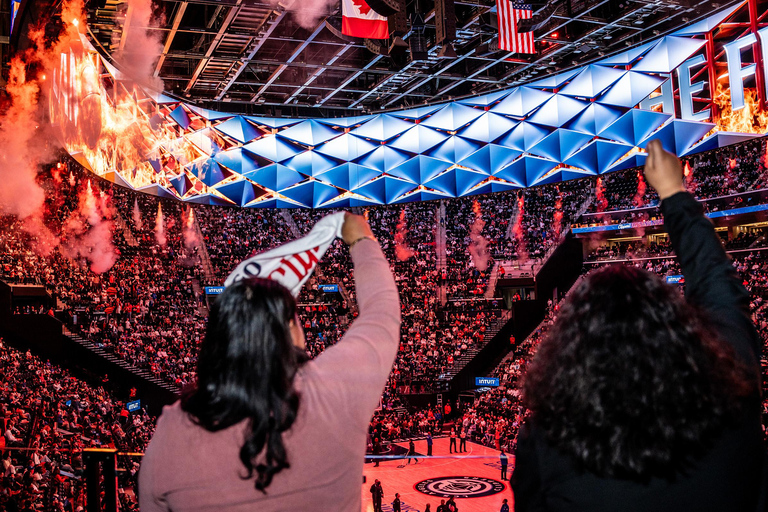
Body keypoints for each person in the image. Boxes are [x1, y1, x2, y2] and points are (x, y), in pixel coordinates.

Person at [512, 140, 767, 511]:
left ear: (572, 351)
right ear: (672, 329)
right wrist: (673, 193)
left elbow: (718, 287)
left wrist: (672, 194)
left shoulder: (548, 441)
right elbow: (718, 284)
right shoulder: (732, 388)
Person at [139, 214, 402, 512]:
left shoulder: (175, 427)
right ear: (292, 332)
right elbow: (382, 312)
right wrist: (361, 239)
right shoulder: (338, 389)